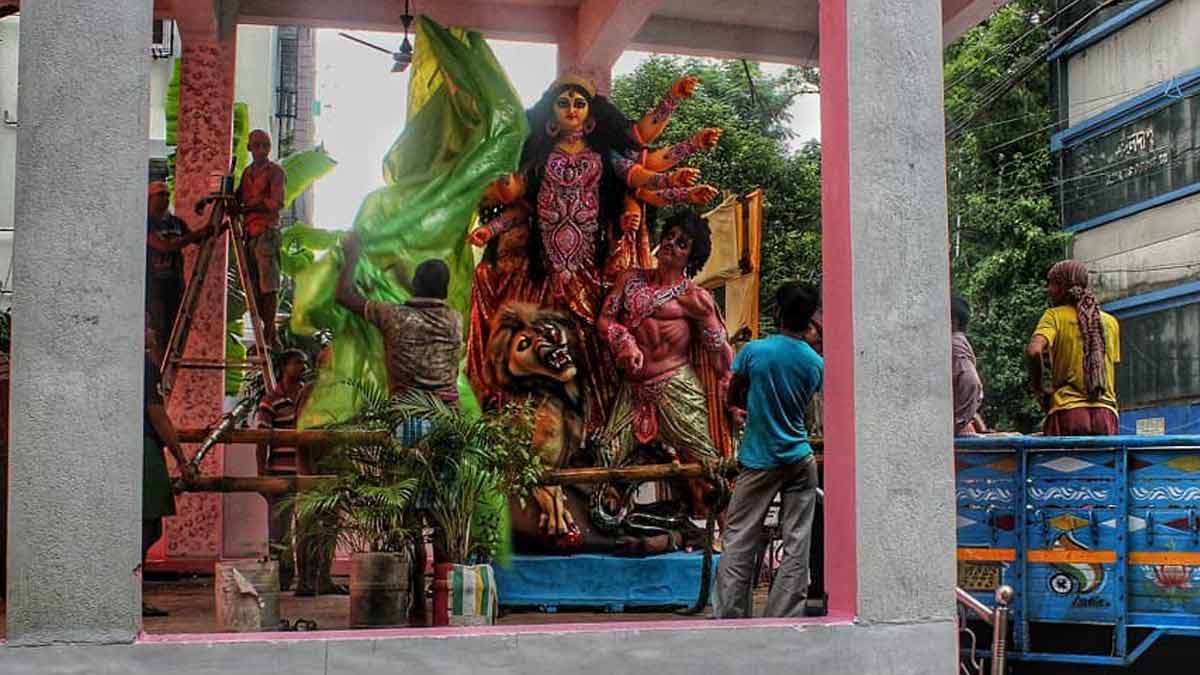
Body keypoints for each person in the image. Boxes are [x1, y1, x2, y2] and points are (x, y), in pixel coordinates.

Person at [596, 211, 733, 515]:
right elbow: (604, 321)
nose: (671, 243)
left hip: (676, 388)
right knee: (606, 460)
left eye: (682, 243)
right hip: (632, 390)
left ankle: (728, 534)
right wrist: (624, 340)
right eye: (669, 236)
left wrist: (731, 394)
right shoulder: (629, 279)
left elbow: (719, 353)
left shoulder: (696, 299)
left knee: (706, 468)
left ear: (691, 257)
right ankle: (617, 525)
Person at [715, 282, 822, 619]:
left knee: (739, 538)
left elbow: (734, 393)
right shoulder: (814, 362)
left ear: (777, 311)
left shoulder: (754, 352)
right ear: (809, 318)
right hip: (800, 459)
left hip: (760, 460)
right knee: (797, 543)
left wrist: (747, 407)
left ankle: (731, 616)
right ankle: (784, 616)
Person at [1026, 259, 1120, 435]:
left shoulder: (1053, 316)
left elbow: (1034, 351)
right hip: (1106, 415)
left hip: (1068, 413)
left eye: (1052, 284)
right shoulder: (1110, 322)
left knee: (1059, 456)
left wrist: (1039, 389)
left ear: (1062, 287)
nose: (1048, 290)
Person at [143, 318, 196, 617]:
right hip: (146, 449)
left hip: (138, 448)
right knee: (146, 526)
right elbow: (157, 415)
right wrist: (181, 458)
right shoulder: (145, 367)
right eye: (148, 327)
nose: (152, 331)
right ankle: (131, 595)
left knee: (150, 528)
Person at [235, 129, 287, 350]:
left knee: (269, 285)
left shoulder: (275, 172)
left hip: (266, 231)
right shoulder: (247, 173)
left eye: (265, 145)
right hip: (249, 234)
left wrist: (248, 207)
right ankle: (265, 330)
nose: (262, 150)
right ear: (249, 148)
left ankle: (269, 331)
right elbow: (237, 197)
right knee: (253, 286)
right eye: (257, 145)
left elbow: (276, 203)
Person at [146, 180, 211, 355]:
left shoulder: (176, 223)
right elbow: (164, 246)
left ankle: (169, 366)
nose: (165, 198)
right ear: (150, 198)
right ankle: (160, 368)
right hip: (154, 285)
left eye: (167, 195)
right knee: (158, 329)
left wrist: (221, 225)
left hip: (175, 283)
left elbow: (199, 240)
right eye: (161, 195)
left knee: (175, 329)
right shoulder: (145, 223)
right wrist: (196, 234)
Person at [952, 295, 987, 436]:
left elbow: (971, 382)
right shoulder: (958, 342)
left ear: (953, 321)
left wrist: (956, 422)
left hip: (957, 430)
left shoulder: (954, 345)